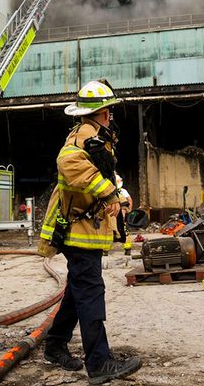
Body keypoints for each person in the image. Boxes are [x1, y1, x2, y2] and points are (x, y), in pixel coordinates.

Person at [39, 79, 142, 384]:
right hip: (77, 230)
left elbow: (104, 173)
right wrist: (109, 194)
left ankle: (56, 346)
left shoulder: (97, 138)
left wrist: (119, 191)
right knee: (91, 291)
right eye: (108, 109)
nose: (111, 115)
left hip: (87, 229)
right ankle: (99, 363)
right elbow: (69, 163)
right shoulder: (79, 141)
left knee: (77, 291)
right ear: (100, 112)